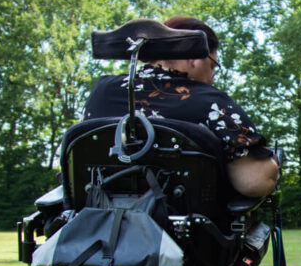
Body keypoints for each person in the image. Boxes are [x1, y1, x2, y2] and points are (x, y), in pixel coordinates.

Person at [83, 16, 279, 197]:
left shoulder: (102, 92)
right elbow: (255, 181)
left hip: (98, 225)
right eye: (212, 66)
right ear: (194, 56)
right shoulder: (210, 103)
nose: (211, 78)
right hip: (183, 231)